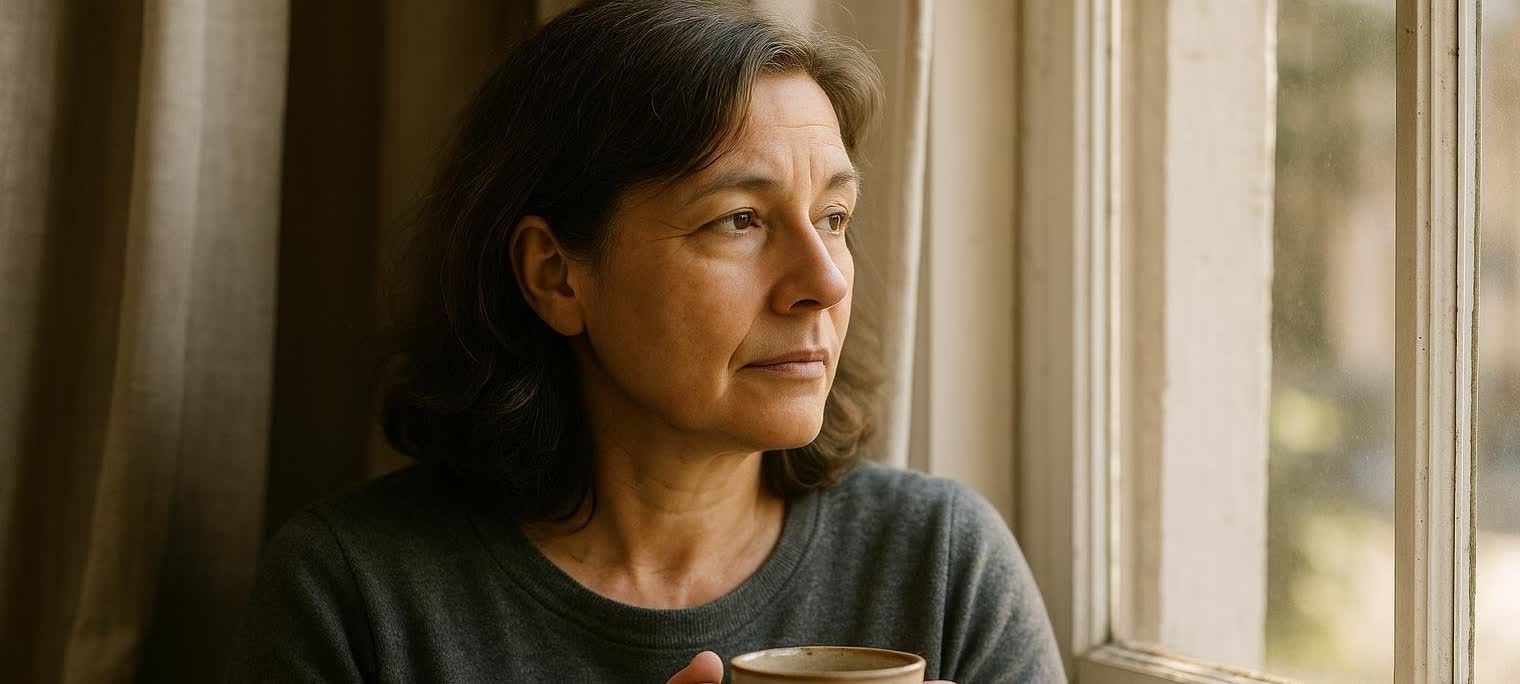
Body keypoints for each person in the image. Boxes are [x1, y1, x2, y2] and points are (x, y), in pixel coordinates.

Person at [227, 0, 1063, 681]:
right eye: (739, 220)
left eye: (834, 218)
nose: (827, 281)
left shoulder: (943, 564)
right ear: (556, 275)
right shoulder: (356, 596)